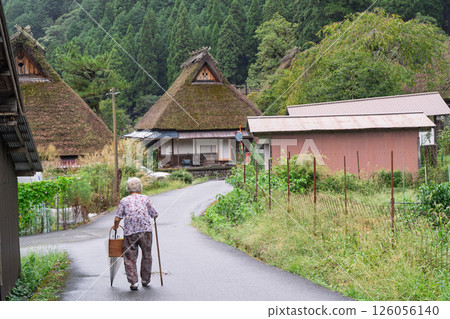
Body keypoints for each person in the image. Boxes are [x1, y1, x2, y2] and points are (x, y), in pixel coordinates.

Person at [113, 177, 158, 290]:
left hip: (130, 233)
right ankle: (145, 280)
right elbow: (154, 214)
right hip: (145, 231)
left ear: (128, 188)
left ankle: (134, 282)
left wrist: (116, 227)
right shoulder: (145, 199)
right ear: (140, 188)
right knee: (147, 255)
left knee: (129, 257)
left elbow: (117, 218)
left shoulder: (124, 200)